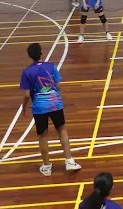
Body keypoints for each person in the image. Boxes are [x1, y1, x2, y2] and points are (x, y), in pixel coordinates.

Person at [19, 42, 81, 176]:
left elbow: (27, 94)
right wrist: (58, 99)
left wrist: (23, 108)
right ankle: (69, 161)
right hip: (55, 103)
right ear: (41, 53)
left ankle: (46, 166)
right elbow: (58, 86)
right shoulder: (51, 67)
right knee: (62, 130)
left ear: (30, 56)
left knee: (43, 135)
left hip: (39, 108)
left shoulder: (27, 72)